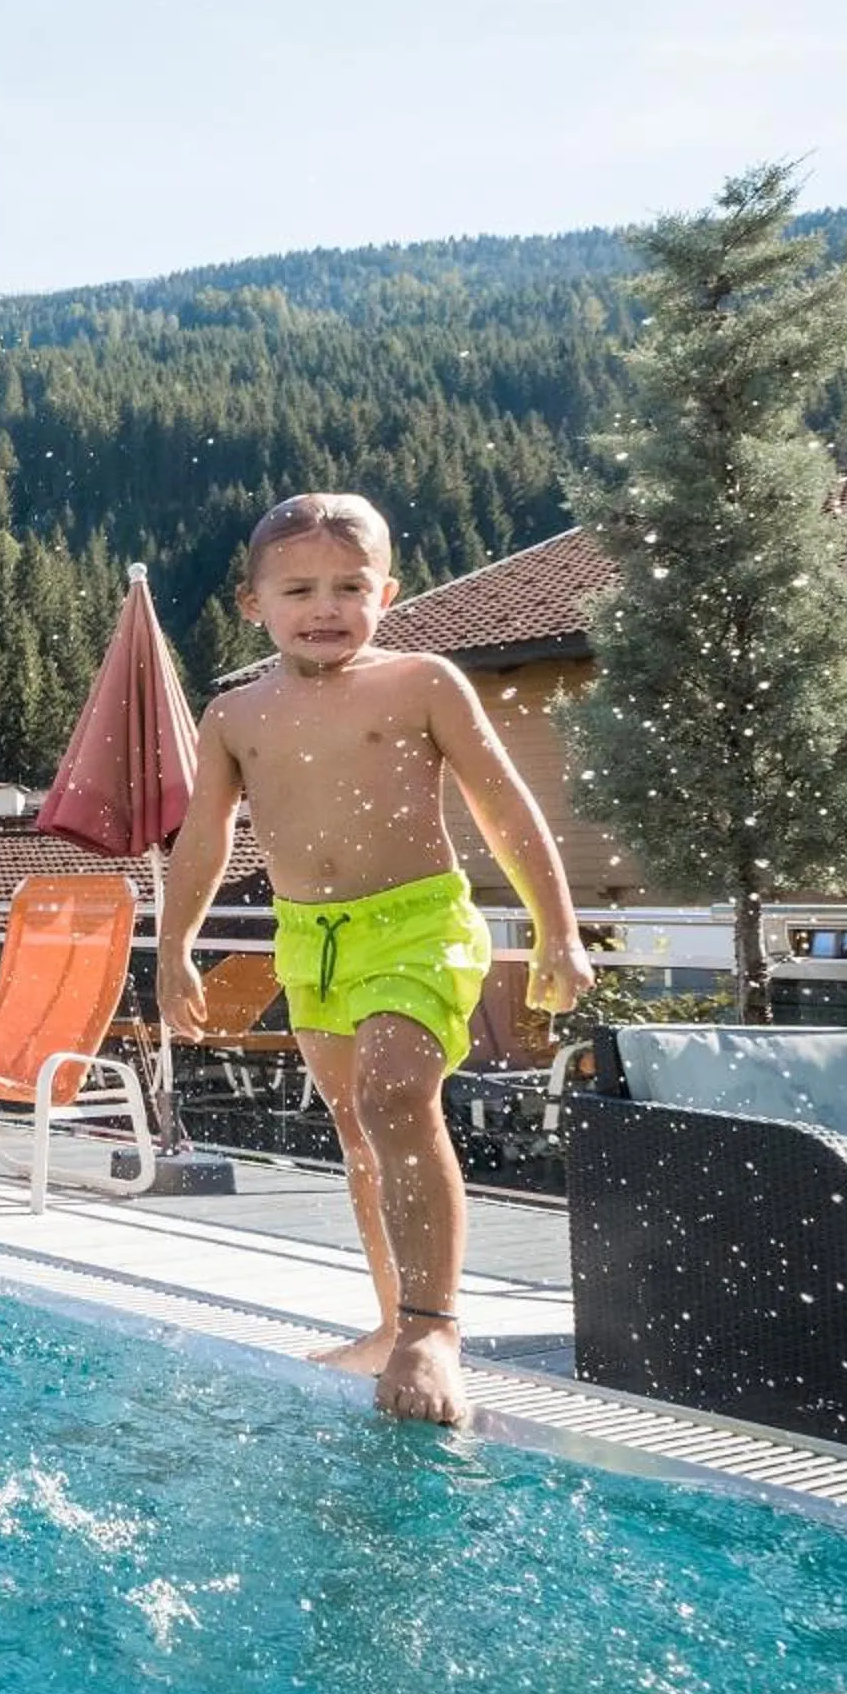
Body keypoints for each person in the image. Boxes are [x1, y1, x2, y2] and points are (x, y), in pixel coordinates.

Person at [160, 494, 592, 1429]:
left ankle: (435, 1330)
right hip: (309, 938)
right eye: (300, 590)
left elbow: (504, 805)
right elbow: (203, 839)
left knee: (397, 1098)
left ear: (386, 593)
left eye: (350, 587)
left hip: (416, 924)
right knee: (360, 1129)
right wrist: (174, 947)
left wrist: (556, 928)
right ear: (253, 604)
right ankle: (393, 1321)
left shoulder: (422, 682)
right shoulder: (234, 714)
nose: (327, 607)